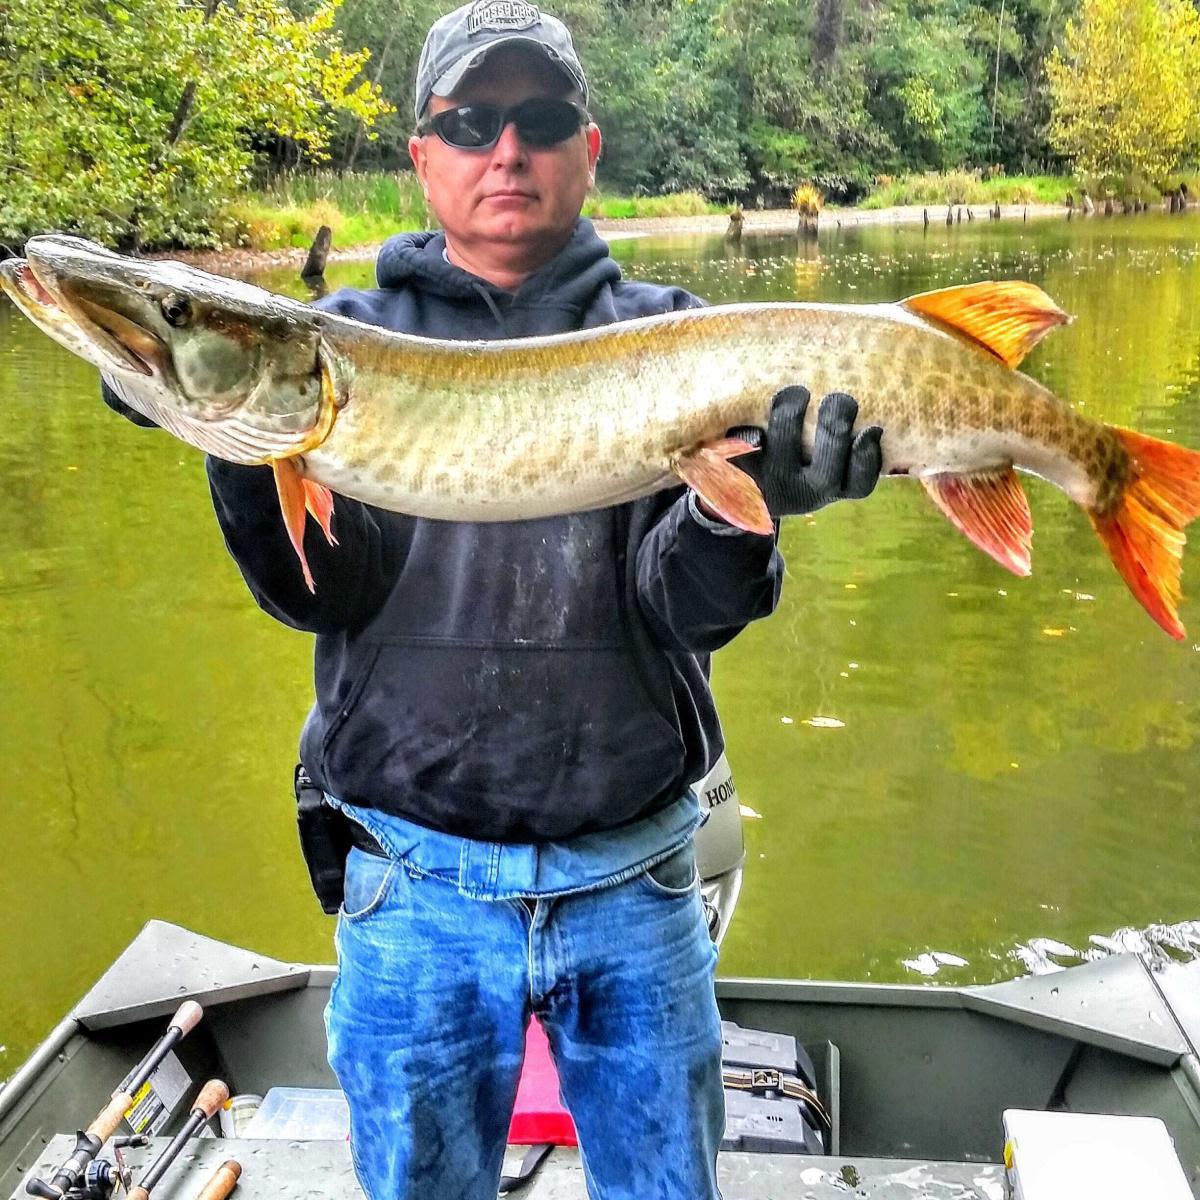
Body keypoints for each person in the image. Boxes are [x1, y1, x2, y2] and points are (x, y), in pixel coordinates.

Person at [105, 3, 882, 1195]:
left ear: (589, 144)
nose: (505, 148)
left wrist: (764, 500)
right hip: (413, 887)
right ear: (423, 155)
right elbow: (321, 598)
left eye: (540, 116)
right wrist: (228, 432)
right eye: (470, 121)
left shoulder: (675, 337)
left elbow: (685, 611)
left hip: (635, 882)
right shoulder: (341, 344)